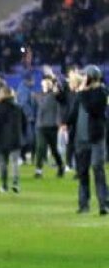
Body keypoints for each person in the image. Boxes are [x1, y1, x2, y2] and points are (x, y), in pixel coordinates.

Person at [64, 65, 108, 215]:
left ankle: (103, 203)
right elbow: (73, 113)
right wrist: (65, 123)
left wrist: (82, 93)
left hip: (95, 137)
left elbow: (93, 108)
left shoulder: (101, 92)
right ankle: (84, 204)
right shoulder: (81, 95)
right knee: (82, 172)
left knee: (97, 168)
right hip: (81, 138)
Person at [0, 86, 26, 194]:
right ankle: (15, 183)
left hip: (3, 139)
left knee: (4, 163)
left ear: (2, 94)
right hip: (16, 138)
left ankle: (4, 186)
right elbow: (24, 123)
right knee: (15, 162)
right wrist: (21, 134)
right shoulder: (18, 107)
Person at [34, 74, 65, 178]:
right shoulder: (39, 95)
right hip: (41, 126)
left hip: (52, 126)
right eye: (45, 81)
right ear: (41, 82)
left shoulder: (55, 94)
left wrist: (55, 79)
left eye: (48, 81)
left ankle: (60, 166)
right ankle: (38, 170)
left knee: (54, 149)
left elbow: (61, 93)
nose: (46, 83)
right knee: (40, 147)